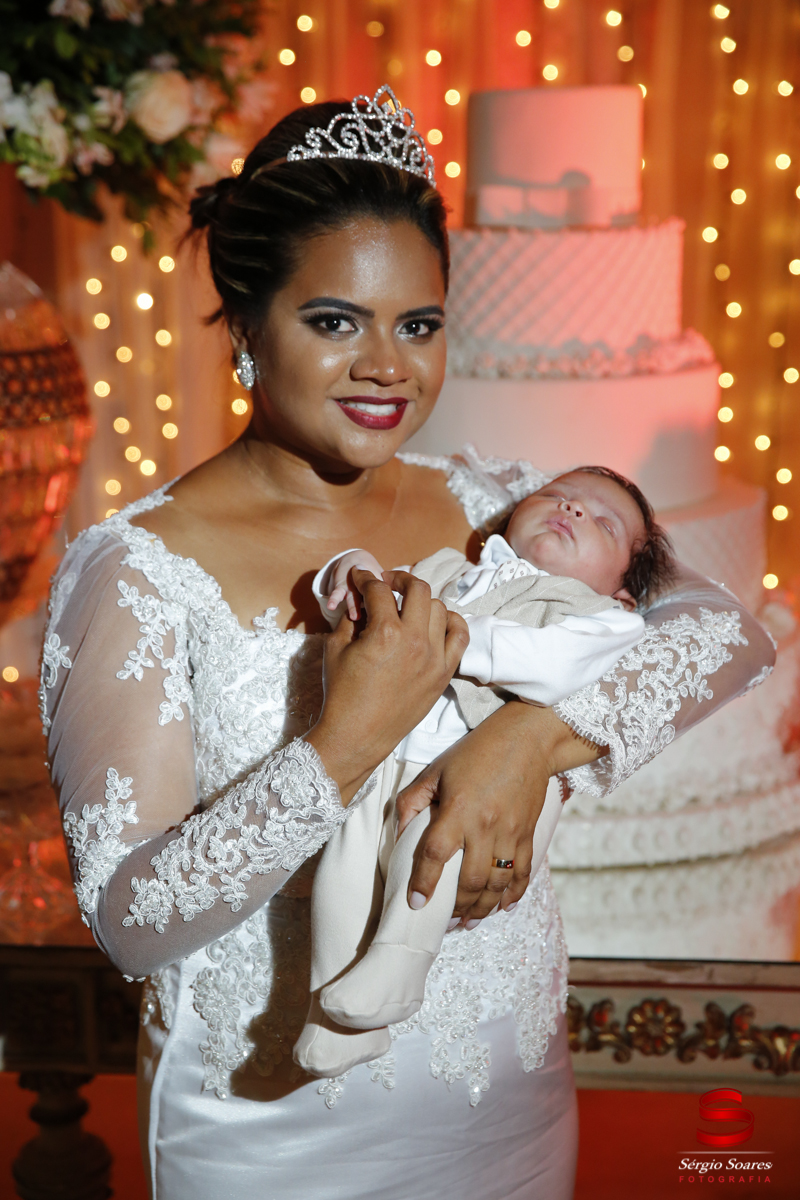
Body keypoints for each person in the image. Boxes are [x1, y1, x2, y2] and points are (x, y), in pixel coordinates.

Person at [40, 88, 774, 1200]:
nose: (387, 365)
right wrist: (343, 744)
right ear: (244, 326)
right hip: (270, 1138)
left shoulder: (483, 504)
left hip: (510, 1118)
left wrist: (523, 743)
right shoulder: (138, 569)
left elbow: (723, 628)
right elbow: (135, 925)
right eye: (334, 321)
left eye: (416, 324)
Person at [295, 466, 674, 1078]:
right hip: (387, 753)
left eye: (604, 522)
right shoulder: (448, 570)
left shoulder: (605, 620)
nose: (573, 510)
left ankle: (400, 964)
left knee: (435, 846)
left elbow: (555, 664)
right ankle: (332, 1011)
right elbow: (377, 607)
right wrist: (349, 571)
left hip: (479, 773)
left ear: (621, 591)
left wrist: (448, 639)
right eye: (558, 497)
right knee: (344, 858)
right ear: (505, 524)